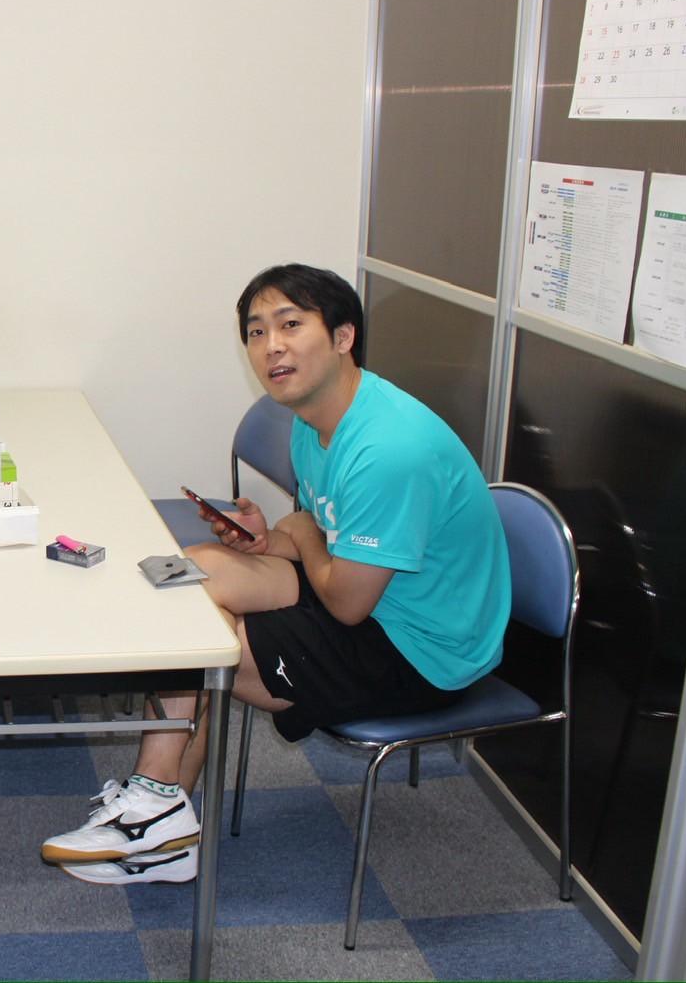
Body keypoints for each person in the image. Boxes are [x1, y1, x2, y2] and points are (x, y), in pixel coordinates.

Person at [41, 263, 511, 885]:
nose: (271, 347)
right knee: (198, 575)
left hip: (422, 649)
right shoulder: (315, 421)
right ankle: (161, 814)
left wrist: (303, 536)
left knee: (203, 641)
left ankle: (156, 813)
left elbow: (344, 597)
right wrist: (271, 540)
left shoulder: (389, 449)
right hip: (379, 596)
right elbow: (317, 529)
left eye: (290, 325)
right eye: (257, 332)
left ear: (343, 336)